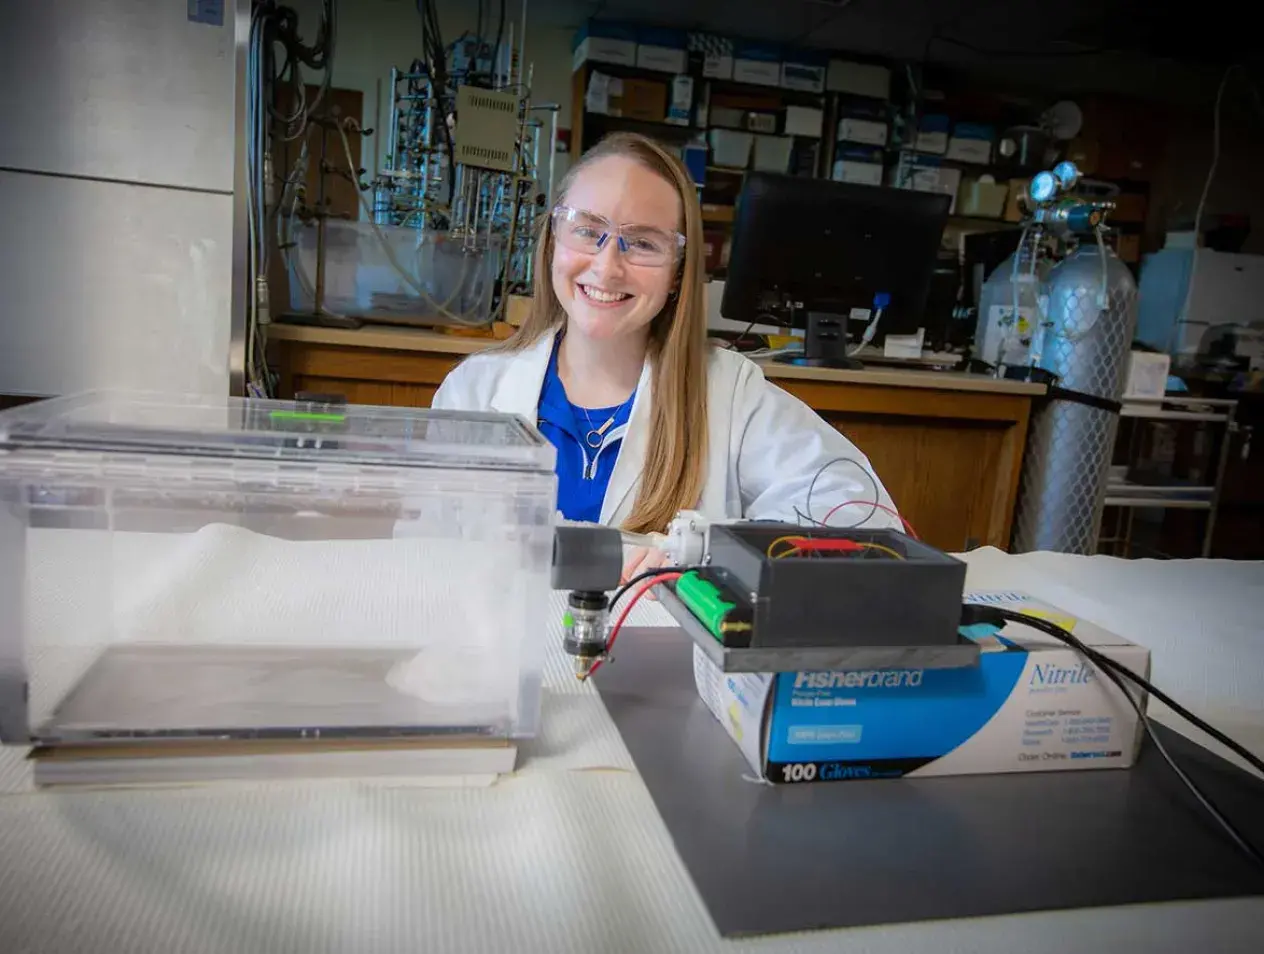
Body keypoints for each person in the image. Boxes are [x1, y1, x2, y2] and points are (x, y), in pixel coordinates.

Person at [432, 132, 900, 579]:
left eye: (642, 243)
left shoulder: (729, 394)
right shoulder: (475, 392)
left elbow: (863, 518)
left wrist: (706, 554)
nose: (607, 268)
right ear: (553, 239)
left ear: (678, 272)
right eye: (588, 230)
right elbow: (427, 551)